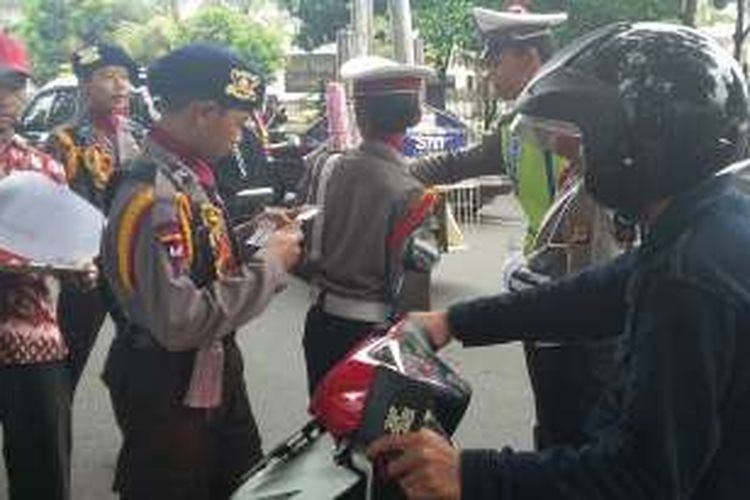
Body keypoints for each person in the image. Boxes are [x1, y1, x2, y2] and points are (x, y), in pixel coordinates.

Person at [368, 22, 750, 500]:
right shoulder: (710, 220)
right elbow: (601, 292)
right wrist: (455, 320)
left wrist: (469, 474)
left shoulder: (687, 279)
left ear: (645, 141)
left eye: (594, 139)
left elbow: (643, 478)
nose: (583, 156)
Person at [99, 43, 302, 499]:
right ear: (203, 113)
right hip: (170, 389)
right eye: (239, 120)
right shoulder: (154, 199)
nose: (243, 134)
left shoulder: (186, 175)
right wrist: (271, 265)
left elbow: (201, 257)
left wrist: (256, 233)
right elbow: (180, 320)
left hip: (206, 377)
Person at [299, 55, 501, 395]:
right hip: (375, 337)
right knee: (380, 443)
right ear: (415, 116)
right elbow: (414, 293)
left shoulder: (324, 167)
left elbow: (301, 246)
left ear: (360, 115)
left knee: (326, 431)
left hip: (321, 327)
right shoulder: (420, 198)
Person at [474, 5, 623, 449]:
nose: (489, 73)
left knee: (583, 433)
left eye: (496, 60)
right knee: (553, 420)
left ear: (528, 58)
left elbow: (611, 249)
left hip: (586, 318)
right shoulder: (516, 127)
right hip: (542, 293)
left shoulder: (600, 155)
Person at [46, 42, 144, 390]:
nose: (121, 85)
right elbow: (53, 209)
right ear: (85, 84)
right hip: (85, 267)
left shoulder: (140, 136)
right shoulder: (64, 140)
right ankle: (49, 436)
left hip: (133, 268)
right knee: (66, 359)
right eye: (109, 76)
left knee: (143, 356)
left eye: (125, 77)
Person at [0, 32, 72, 500]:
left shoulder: (45, 167)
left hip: (33, 342)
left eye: (13, 84)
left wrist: (81, 264)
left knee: (42, 477)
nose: (5, 98)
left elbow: (65, 245)